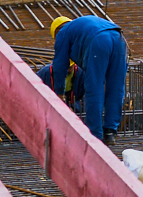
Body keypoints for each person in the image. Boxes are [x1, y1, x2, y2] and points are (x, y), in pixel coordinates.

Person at [39, 15, 128, 143]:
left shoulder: (63, 33)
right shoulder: (80, 28)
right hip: (119, 39)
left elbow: (60, 65)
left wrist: (59, 92)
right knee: (116, 86)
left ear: (56, 32)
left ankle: (95, 135)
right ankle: (110, 131)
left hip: (99, 41)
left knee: (94, 88)